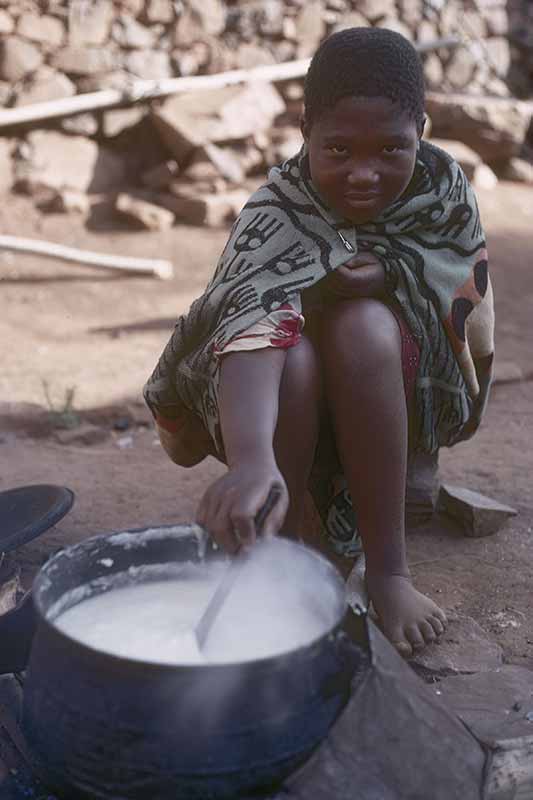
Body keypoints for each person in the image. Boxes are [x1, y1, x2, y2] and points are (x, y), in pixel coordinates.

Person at [144, 27, 494, 657]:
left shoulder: (442, 192)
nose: (364, 174)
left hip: (391, 392)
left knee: (362, 326)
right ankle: (275, 557)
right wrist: (251, 459)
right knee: (295, 353)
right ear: (304, 131)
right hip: (278, 409)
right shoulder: (278, 208)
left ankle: (389, 573)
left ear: (424, 126)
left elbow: (459, 282)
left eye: (392, 148)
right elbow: (245, 322)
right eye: (338, 149)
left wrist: (390, 272)